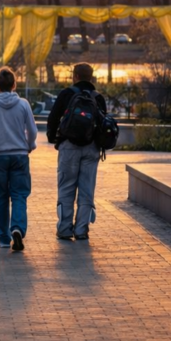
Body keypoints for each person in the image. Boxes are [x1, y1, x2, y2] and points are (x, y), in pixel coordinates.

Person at [47, 62, 107, 241]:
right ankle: (81, 229)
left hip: (69, 146)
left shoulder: (66, 94)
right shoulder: (98, 97)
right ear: (91, 77)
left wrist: (53, 138)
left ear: (75, 76)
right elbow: (103, 124)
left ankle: (65, 229)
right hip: (91, 148)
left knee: (66, 187)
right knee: (87, 189)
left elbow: (53, 118)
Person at [0, 67, 37, 252]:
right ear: (14, 85)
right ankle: (17, 228)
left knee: (0, 196)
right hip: (20, 155)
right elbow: (33, 130)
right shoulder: (23, 104)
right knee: (19, 194)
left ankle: (4, 238)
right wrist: (29, 145)